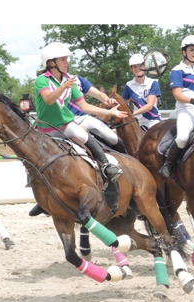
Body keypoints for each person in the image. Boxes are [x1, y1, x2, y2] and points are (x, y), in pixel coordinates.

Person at [29, 42, 128, 217]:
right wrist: (62, 87)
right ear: (51, 63)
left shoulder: (70, 81)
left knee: (83, 135)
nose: (67, 62)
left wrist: (108, 111)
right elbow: (49, 100)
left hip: (66, 125)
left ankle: (106, 167)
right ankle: (41, 200)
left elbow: (85, 106)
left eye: (67, 59)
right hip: (45, 129)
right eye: (63, 59)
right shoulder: (41, 80)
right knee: (31, 156)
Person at [158, 35, 194, 179]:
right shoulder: (177, 70)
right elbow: (177, 94)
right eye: (191, 50)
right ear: (184, 52)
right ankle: (169, 164)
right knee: (183, 137)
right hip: (187, 109)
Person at [68, 75, 127, 153]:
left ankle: (127, 160)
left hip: (82, 118)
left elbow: (99, 94)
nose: (66, 63)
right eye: (63, 61)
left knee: (113, 138)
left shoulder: (77, 79)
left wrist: (107, 99)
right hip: (64, 122)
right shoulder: (49, 81)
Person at [122, 53, 163, 130]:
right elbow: (124, 104)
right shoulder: (128, 85)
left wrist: (132, 114)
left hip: (153, 121)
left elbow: (150, 106)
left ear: (145, 66)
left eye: (140, 65)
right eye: (134, 66)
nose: (137, 68)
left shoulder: (153, 83)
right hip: (136, 122)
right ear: (131, 69)